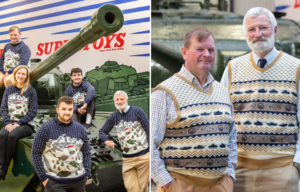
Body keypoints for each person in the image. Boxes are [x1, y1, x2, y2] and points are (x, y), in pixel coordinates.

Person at [220, 7, 300, 192]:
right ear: (246, 34)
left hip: (281, 174)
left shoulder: (296, 68)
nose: (258, 34)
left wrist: (296, 166)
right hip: (239, 173)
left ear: (275, 30)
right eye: (251, 29)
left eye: (263, 28)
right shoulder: (232, 68)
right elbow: (223, 121)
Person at [151, 28, 237, 192]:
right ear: (184, 52)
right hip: (181, 186)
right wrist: (168, 185)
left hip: (221, 185)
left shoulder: (222, 91)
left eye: (211, 50)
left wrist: (229, 176)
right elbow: (149, 144)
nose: (207, 54)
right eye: (199, 49)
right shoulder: (164, 93)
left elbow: (232, 137)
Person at [31, 96, 91, 192]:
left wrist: (87, 173)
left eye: (70, 109)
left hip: (79, 181)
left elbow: (86, 152)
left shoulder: (80, 128)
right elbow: (35, 153)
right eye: (63, 109)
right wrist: (43, 178)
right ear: (57, 110)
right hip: (55, 183)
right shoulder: (45, 128)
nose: (67, 112)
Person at [99, 91, 149, 192]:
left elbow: (148, 129)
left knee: (144, 188)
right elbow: (102, 131)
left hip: (143, 157)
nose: (119, 101)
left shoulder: (138, 111)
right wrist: (106, 141)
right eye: (117, 100)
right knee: (131, 188)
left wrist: (150, 152)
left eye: (121, 99)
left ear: (126, 100)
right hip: (127, 159)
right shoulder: (113, 116)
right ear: (114, 102)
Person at [0, 65, 37, 181]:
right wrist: (8, 123)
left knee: (12, 135)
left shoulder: (30, 90)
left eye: (23, 74)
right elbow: (3, 109)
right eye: (19, 73)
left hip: (26, 124)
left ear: (26, 77)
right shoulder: (9, 89)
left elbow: (33, 111)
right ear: (15, 74)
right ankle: (0, 167)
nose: (21, 76)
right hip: (10, 123)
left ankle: (6, 167)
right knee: (2, 135)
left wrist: (19, 123)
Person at [65, 68, 95, 134]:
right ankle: (77, 126)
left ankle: (87, 124)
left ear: (82, 76)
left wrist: (85, 104)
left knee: (92, 97)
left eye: (78, 75)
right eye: (74, 75)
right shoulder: (68, 90)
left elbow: (91, 89)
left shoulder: (85, 84)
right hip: (76, 111)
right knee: (76, 127)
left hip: (87, 110)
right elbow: (69, 104)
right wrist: (77, 110)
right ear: (71, 77)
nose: (77, 77)